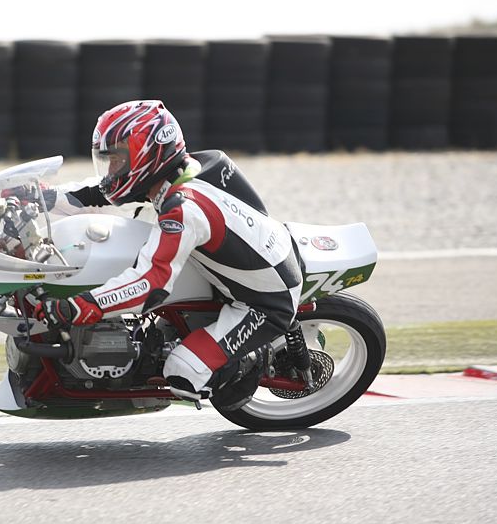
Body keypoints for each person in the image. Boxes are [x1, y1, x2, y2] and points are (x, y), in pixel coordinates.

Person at [33, 100, 303, 411]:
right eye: (108, 160)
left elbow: (151, 284)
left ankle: (252, 360)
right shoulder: (178, 172)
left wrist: (82, 306)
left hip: (265, 301)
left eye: (118, 159)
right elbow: (96, 192)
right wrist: (41, 196)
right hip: (241, 260)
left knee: (181, 373)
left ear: (147, 155)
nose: (111, 170)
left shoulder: (183, 209)